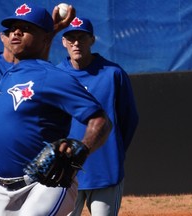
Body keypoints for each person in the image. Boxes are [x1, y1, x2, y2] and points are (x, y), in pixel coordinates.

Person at [0, 3, 112, 216]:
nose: (16, 32)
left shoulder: (52, 76)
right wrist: (51, 29)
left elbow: (100, 120)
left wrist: (83, 148)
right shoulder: (8, 73)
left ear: (44, 38)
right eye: (13, 27)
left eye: (26, 28)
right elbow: (37, 42)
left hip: (45, 184)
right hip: (0, 189)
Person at [57, 17, 139, 216]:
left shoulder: (113, 74)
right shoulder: (56, 75)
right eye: (71, 37)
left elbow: (129, 119)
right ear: (63, 41)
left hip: (105, 169)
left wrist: (114, 150)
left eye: (82, 37)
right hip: (66, 171)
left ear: (92, 40)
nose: (76, 43)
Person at [0, 4, 76, 91]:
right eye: (12, 29)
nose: (16, 33)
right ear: (2, 37)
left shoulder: (54, 76)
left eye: (25, 28)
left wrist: (52, 31)